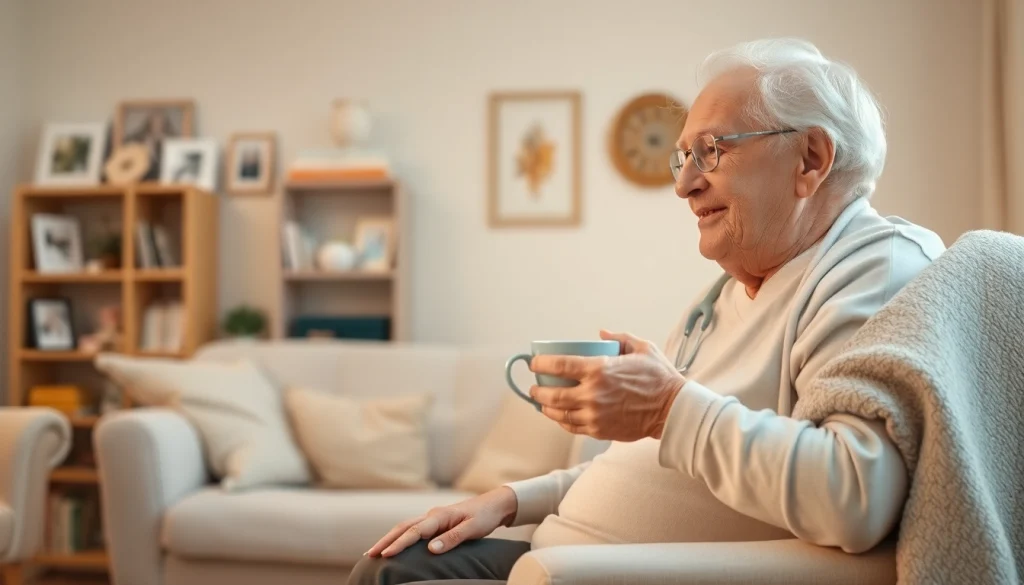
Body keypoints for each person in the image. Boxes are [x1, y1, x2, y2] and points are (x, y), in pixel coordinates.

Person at [348, 37, 946, 585]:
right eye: (681, 156)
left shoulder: (875, 266)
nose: (684, 184)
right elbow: (655, 464)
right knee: (394, 563)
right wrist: (509, 500)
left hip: (608, 570)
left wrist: (665, 405)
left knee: (392, 578)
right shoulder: (724, 295)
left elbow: (854, 497)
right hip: (564, 553)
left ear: (810, 159)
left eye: (710, 151)